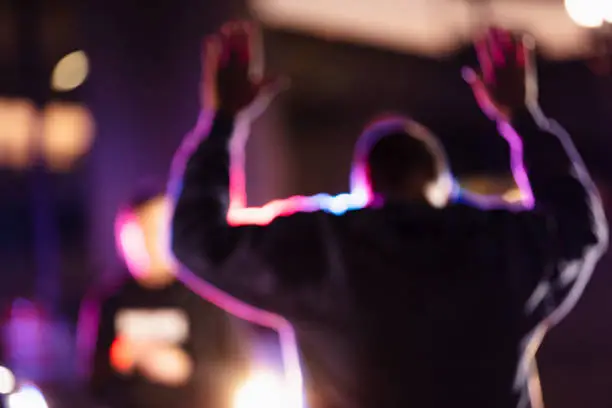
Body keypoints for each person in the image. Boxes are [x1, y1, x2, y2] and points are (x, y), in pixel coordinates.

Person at [169, 22, 608, 408]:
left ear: (365, 189)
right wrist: (522, 117)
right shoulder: (501, 244)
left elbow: (196, 239)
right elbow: (580, 226)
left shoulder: (325, 248)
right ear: (443, 185)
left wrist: (223, 121)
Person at [77, 187, 249, 408]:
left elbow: (238, 371)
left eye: (160, 229)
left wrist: (185, 370)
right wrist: (120, 359)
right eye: (144, 229)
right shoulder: (109, 300)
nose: (152, 241)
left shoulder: (206, 295)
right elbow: (91, 380)